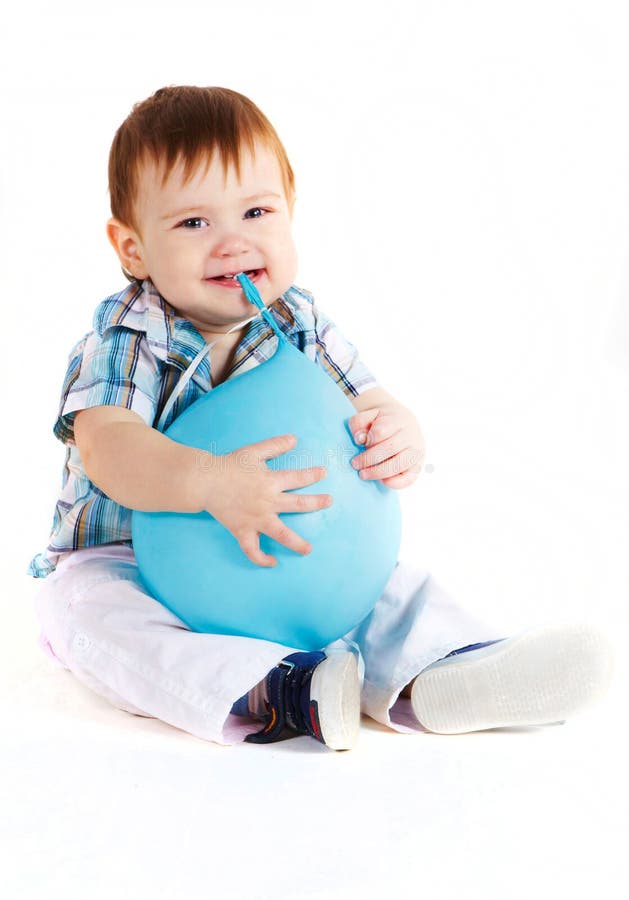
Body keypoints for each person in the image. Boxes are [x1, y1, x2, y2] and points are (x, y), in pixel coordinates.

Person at [27, 86, 614, 750]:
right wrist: (207, 483)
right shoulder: (127, 339)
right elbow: (112, 449)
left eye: (255, 212)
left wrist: (397, 433)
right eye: (194, 223)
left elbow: (367, 400)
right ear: (131, 249)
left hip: (291, 547)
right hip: (126, 558)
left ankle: (449, 668)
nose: (232, 243)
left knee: (386, 588)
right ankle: (277, 690)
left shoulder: (296, 321)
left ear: (289, 215)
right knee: (95, 620)